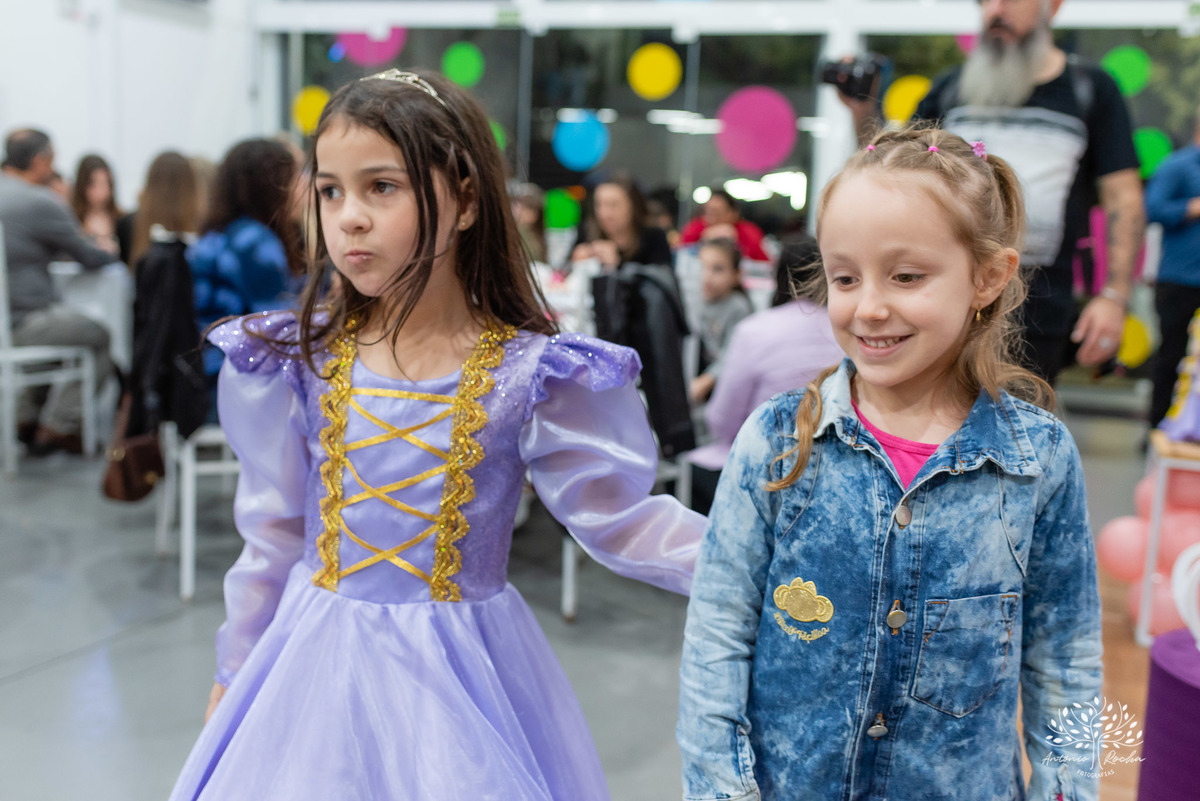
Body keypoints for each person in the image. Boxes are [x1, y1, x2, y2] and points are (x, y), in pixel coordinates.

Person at [167, 69, 704, 801]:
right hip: (309, 674)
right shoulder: (305, 359)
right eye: (329, 191)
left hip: (463, 683)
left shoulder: (531, 375)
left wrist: (753, 560)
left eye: (381, 187)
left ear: (466, 200)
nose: (348, 216)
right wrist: (234, 667)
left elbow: (624, 521)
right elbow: (272, 533)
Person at [677, 128, 1101, 800]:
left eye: (906, 276)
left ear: (987, 278)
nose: (869, 306)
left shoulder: (1038, 460)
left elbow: (1066, 663)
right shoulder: (778, 441)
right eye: (845, 277)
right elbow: (716, 639)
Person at [842, 0, 1143, 383]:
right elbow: (895, 170)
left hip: (1041, 312)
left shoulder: (1089, 89)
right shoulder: (951, 88)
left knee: (1023, 435)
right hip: (946, 307)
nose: (994, 11)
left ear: (1052, 6)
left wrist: (1114, 296)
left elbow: (1123, 197)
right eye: (984, 2)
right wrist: (861, 112)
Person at [0, 128, 117, 454]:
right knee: (99, 336)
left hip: (8, 321)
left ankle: (25, 418)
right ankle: (60, 425)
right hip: (24, 320)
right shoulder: (37, 200)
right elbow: (90, 256)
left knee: (59, 332)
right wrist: (109, 248)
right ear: (40, 160)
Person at [188, 137, 303, 390]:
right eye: (295, 176)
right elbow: (283, 328)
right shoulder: (254, 243)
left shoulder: (219, 235)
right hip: (239, 380)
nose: (305, 186)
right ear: (272, 185)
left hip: (211, 374)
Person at [1144, 108, 1200, 430]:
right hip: (1179, 281)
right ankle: (1157, 429)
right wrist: (1191, 207)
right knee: (1171, 358)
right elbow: (1153, 208)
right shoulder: (1177, 166)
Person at [689, 237, 753, 404]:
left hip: (721, 392)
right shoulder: (695, 300)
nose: (707, 276)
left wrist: (707, 380)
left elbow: (732, 354)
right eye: (702, 267)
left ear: (736, 274)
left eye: (717, 269)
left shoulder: (738, 307)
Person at [569, 170, 672, 270]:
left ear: (633, 207)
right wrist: (576, 263)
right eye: (599, 205)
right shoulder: (586, 232)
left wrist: (618, 267)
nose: (605, 213)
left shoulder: (653, 237)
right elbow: (560, 275)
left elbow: (662, 280)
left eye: (613, 205)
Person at [678, 188, 771, 262]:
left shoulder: (748, 230)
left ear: (733, 213)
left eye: (716, 213)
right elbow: (682, 254)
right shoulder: (695, 227)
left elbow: (762, 261)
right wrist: (703, 239)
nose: (711, 217)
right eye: (707, 212)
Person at [70, 154, 123, 255]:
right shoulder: (71, 220)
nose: (102, 191)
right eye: (94, 184)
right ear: (82, 185)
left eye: (106, 183)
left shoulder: (121, 219)